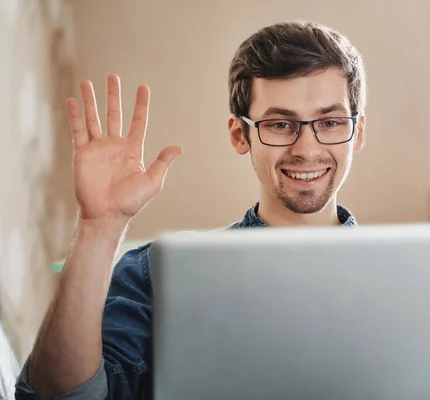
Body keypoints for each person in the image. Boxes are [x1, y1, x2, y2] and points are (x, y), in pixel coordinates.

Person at [15, 20, 366, 399]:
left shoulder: (418, 279)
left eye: (330, 122)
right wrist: (99, 226)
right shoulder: (160, 273)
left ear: (357, 132)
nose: (306, 149)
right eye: (280, 124)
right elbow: (57, 396)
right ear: (239, 134)